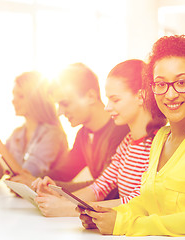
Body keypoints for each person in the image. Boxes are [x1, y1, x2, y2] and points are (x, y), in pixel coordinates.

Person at [81, 35, 185, 239]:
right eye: (160, 84)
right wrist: (108, 215)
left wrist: (122, 223)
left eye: (182, 82)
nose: (170, 94)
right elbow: (148, 203)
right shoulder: (161, 139)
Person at [32, 59, 166, 217]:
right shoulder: (128, 142)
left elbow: (140, 201)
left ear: (141, 96)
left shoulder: (160, 143)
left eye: (115, 100)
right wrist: (62, 199)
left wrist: (68, 209)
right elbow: (99, 187)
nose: (108, 107)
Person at [14, 63, 130, 193]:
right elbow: (64, 173)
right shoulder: (83, 135)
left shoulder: (122, 130)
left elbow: (107, 186)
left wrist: (40, 185)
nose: (60, 112)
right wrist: (31, 180)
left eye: (65, 103)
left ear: (91, 96)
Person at [0, 71, 68, 184]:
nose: (13, 100)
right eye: (14, 95)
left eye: (21, 96)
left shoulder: (52, 135)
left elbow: (26, 180)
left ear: (37, 99)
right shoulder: (18, 134)